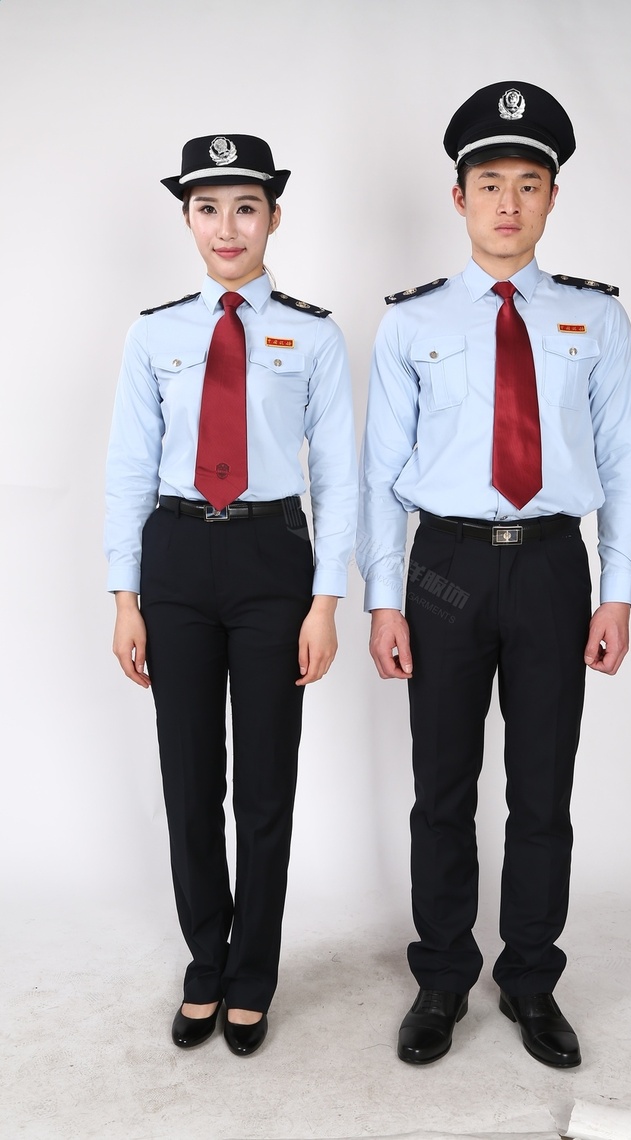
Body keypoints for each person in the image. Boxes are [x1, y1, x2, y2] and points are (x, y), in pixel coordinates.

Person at [358, 82, 631, 1067]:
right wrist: (384, 598)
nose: (508, 204)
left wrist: (618, 589)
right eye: (490, 184)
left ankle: (529, 978)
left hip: (554, 566)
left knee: (541, 789)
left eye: (529, 184)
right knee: (442, 786)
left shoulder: (595, 319)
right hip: (442, 567)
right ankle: (443, 975)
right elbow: (378, 475)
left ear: (552, 197)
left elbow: (626, 463)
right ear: (458, 198)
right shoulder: (412, 323)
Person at [105, 133, 357, 1056]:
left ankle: (254, 973)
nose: (227, 226)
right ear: (187, 220)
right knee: (188, 782)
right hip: (174, 557)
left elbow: (338, 479)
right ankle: (205, 961)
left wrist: (325, 602)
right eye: (207, 208)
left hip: (270, 559)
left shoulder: (313, 334)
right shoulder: (155, 334)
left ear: (273, 218)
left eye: (245, 207)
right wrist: (125, 596)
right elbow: (129, 468)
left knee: (264, 785)